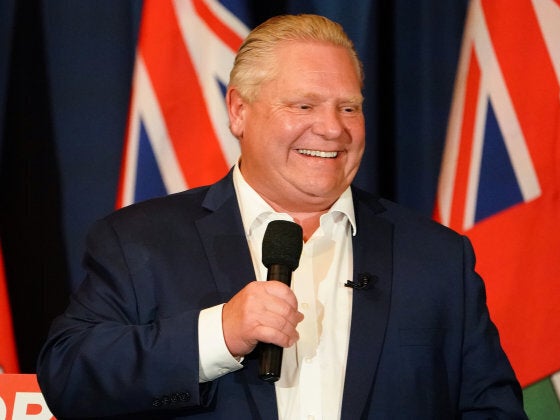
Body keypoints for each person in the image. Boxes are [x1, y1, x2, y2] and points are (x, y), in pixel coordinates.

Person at [36, 13, 527, 419]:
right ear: (238, 112)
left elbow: (491, 408)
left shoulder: (437, 256)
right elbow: (68, 377)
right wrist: (219, 334)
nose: (332, 129)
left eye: (349, 108)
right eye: (304, 104)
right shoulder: (140, 241)